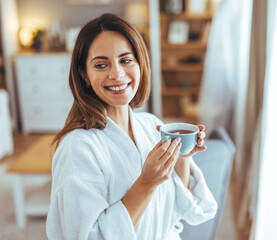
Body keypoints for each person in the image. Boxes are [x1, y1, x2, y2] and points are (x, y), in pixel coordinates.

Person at [46, 13, 217, 240]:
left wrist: (181, 156)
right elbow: (86, 236)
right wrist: (146, 183)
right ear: (84, 74)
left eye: (126, 60)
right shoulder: (77, 148)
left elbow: (177, 212)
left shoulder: (153, 126)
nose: (117, 74)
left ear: (140, 64)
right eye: (101, 64)